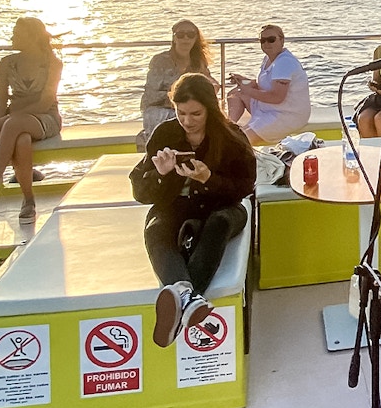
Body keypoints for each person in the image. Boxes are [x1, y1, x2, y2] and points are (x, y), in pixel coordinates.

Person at [129, 73, 256, 348]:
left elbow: (244, 187)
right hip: (175, 206)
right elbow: (140, 191)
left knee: (218, 224)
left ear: (210, 109)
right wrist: (160, 175)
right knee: (156, 229)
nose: (187, 121)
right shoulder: (165, 133)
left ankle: (179, 301)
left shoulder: (232, 137)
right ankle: (189, 300)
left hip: (223, 206)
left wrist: (209, 179)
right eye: (181, 112)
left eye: (195, 113)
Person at [0, 16, 63, 225]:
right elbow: (0, 100)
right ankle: (28, 201)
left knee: (13, 125)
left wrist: (6, 120)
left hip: (45, 118)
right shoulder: (7, 63)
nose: (11, 37)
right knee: (21, 140)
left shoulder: (52, 63)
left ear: (32, 37)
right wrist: (1, 120)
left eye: (17, 34)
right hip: (13, 123)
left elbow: (45, 102)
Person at [226, 24, 311, 145]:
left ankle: (233, 144)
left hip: (286, 115)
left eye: (271, 39)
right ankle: (229, 126)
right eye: (262, 40)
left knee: (243, 138)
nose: (266, 44)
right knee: (235, 94)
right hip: (269, 108)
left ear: (282, 40)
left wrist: (247, 90)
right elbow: (263, 85)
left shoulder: (284, 62)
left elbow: (277, 97)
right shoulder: (268, 59)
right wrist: (243, 81)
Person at [137, 19, 213, 151]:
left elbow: (206, 88)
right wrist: (176, 102)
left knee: (211, 118)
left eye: (190, 34)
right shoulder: (160, 61)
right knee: (180, 118)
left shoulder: (198, 62)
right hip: (158, 107)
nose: (185, 38)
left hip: (187, 108)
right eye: (180, 34)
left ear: (196, 38)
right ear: (174, 38)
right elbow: (151, 95)